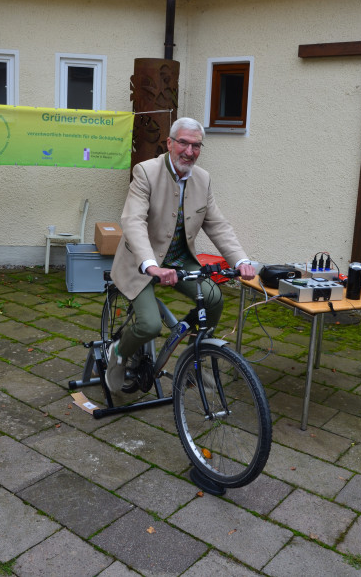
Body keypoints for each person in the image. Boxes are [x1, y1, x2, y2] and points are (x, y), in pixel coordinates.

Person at [107, 117, 255, 393]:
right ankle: (119, 351)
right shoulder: (146, 172)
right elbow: (133, 222)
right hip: (141, 262)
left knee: (212, 300)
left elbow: (216, 224)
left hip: (178, 260)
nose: (189, 151)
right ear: (170, 143)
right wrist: (151, 265)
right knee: (150, 325)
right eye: (183, 143)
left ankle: (190, 362)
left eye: (196, 145)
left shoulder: (202, 178)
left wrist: (241, 260)